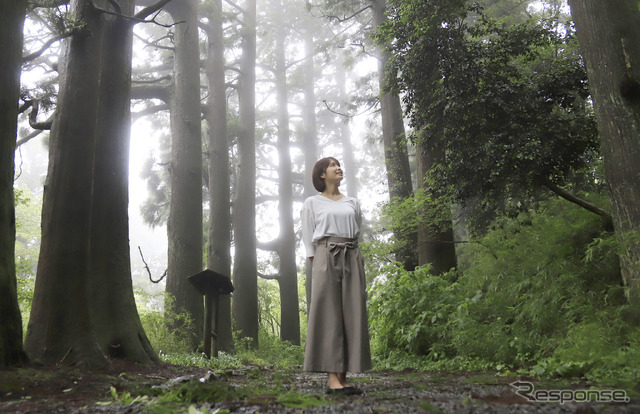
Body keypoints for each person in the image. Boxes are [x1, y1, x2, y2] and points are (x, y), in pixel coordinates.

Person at [301, 157, 372, 395]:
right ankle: (333, 379)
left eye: (339, 164)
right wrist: (319, 265)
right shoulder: (312, 202)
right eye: (332, 165)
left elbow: (357, 230)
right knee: (329, 315)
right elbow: (308, 238)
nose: (338, 167)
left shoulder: (352, 202)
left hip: (351, 254)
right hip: (325, 255)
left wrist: (354, 257)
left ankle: (344, 378)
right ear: (322, 174)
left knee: (352, 313)